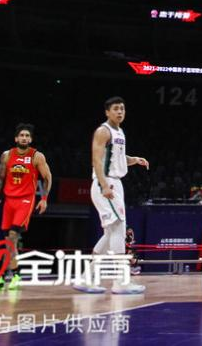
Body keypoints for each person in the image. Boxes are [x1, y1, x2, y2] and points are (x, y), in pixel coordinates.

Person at [82, 97, 149, 295]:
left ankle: (87, 278)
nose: (120, 112)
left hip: (114, 183)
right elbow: (96, 159)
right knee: (119, 229)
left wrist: (134, 159)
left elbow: (117, 158)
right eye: (116, 109)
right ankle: (121, 282)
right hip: (107, 182)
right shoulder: (103, 131)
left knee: (110, 233)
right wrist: (104, 185)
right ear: (107, 112)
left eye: (122, 108)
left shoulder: (119, 132)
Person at [0, 124, 52, 291]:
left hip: (25, 201)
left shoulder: (37, 156)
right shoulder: (7, 156)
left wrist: (44, 198)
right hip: (9, 201)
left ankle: (5, 277)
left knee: (13, 236)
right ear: (16, 138)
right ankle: (14, 274)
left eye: (27, 135)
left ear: (30, 139)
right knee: (8, 241)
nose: (24, 138)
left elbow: (47, 177)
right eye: (21, 135)